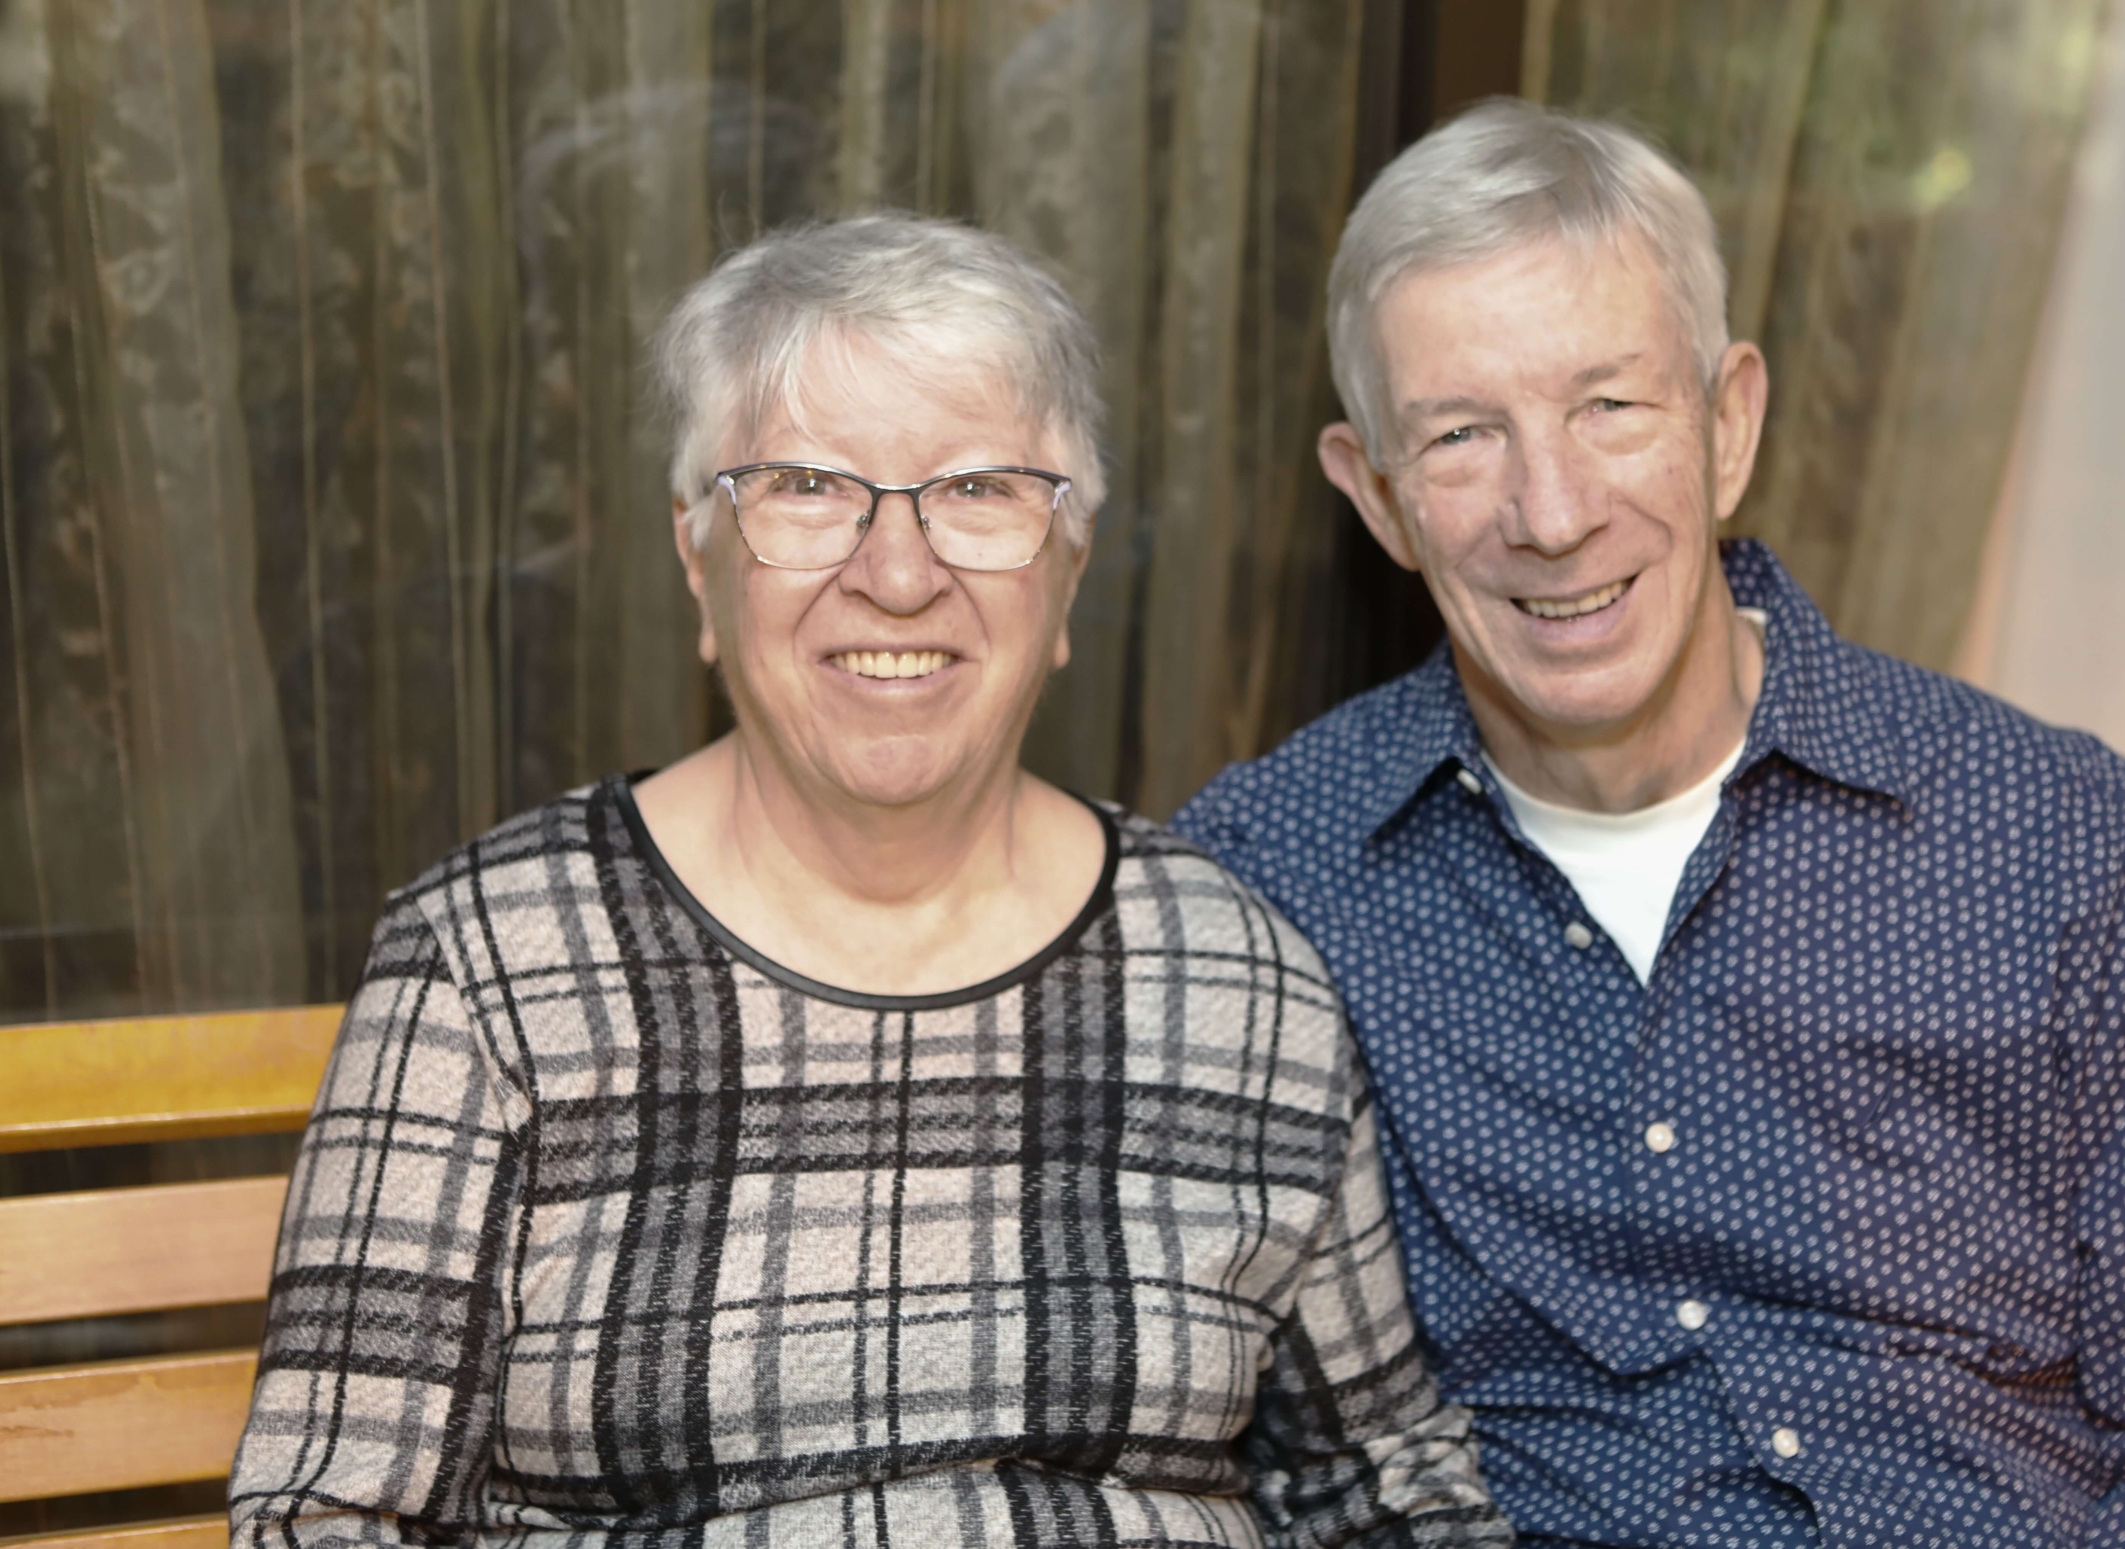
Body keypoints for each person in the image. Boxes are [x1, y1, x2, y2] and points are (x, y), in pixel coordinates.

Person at [1173, 102, 2125, 1547]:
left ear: (1729, 423)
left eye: (1610, 407)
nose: (1551, 512)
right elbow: (1196, 1428)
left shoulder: (2045, 834)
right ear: (1378, 497)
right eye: (1462, 435)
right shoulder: (1274, 880)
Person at [229, 214, 1511, 1549]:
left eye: (979, 490)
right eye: (806, 486)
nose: (898, 575)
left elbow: (1381, 1487)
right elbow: (325, 1520)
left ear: (1068, 575)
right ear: (699, 563)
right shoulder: (489, 969)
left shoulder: (1238, 974)